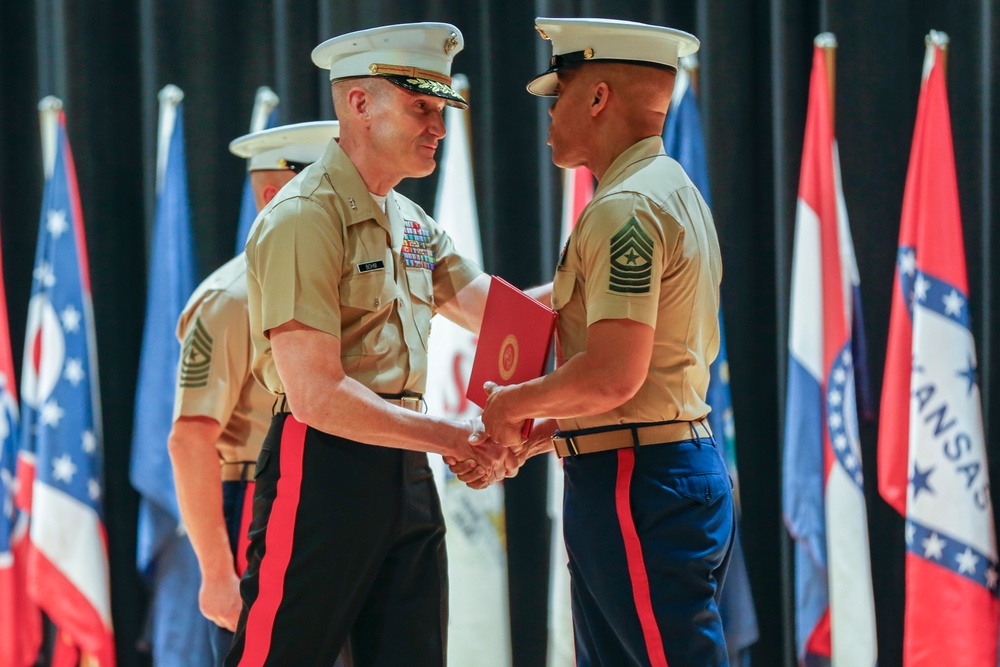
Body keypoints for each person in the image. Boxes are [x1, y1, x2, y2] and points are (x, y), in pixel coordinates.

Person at [224, 23, 516, 667]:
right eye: (421, 107)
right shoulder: (304, 215)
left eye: (441, 110)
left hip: (408, 463)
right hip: (324, 464)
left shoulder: (411, 220)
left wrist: (599, 290)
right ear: (358, 104)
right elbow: (318, 397)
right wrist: (454, 437)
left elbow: (499, 315)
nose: (438, 126)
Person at [469, 17, 735, 667]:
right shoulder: (668, 189)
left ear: (598, 99)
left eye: (558, 94)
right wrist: (545, 429)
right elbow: (635, 370)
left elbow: (615, 373)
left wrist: (511, 403)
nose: (551, 114)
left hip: (634, 482)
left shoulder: (626, 207)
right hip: (645, 468)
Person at [167, 121, 347, 666]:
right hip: (259, 504)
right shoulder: (232, 297)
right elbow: (189, 439)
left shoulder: (343, 279)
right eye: (327, 185)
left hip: (338, 498)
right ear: (275, 194)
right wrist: (219, 574)